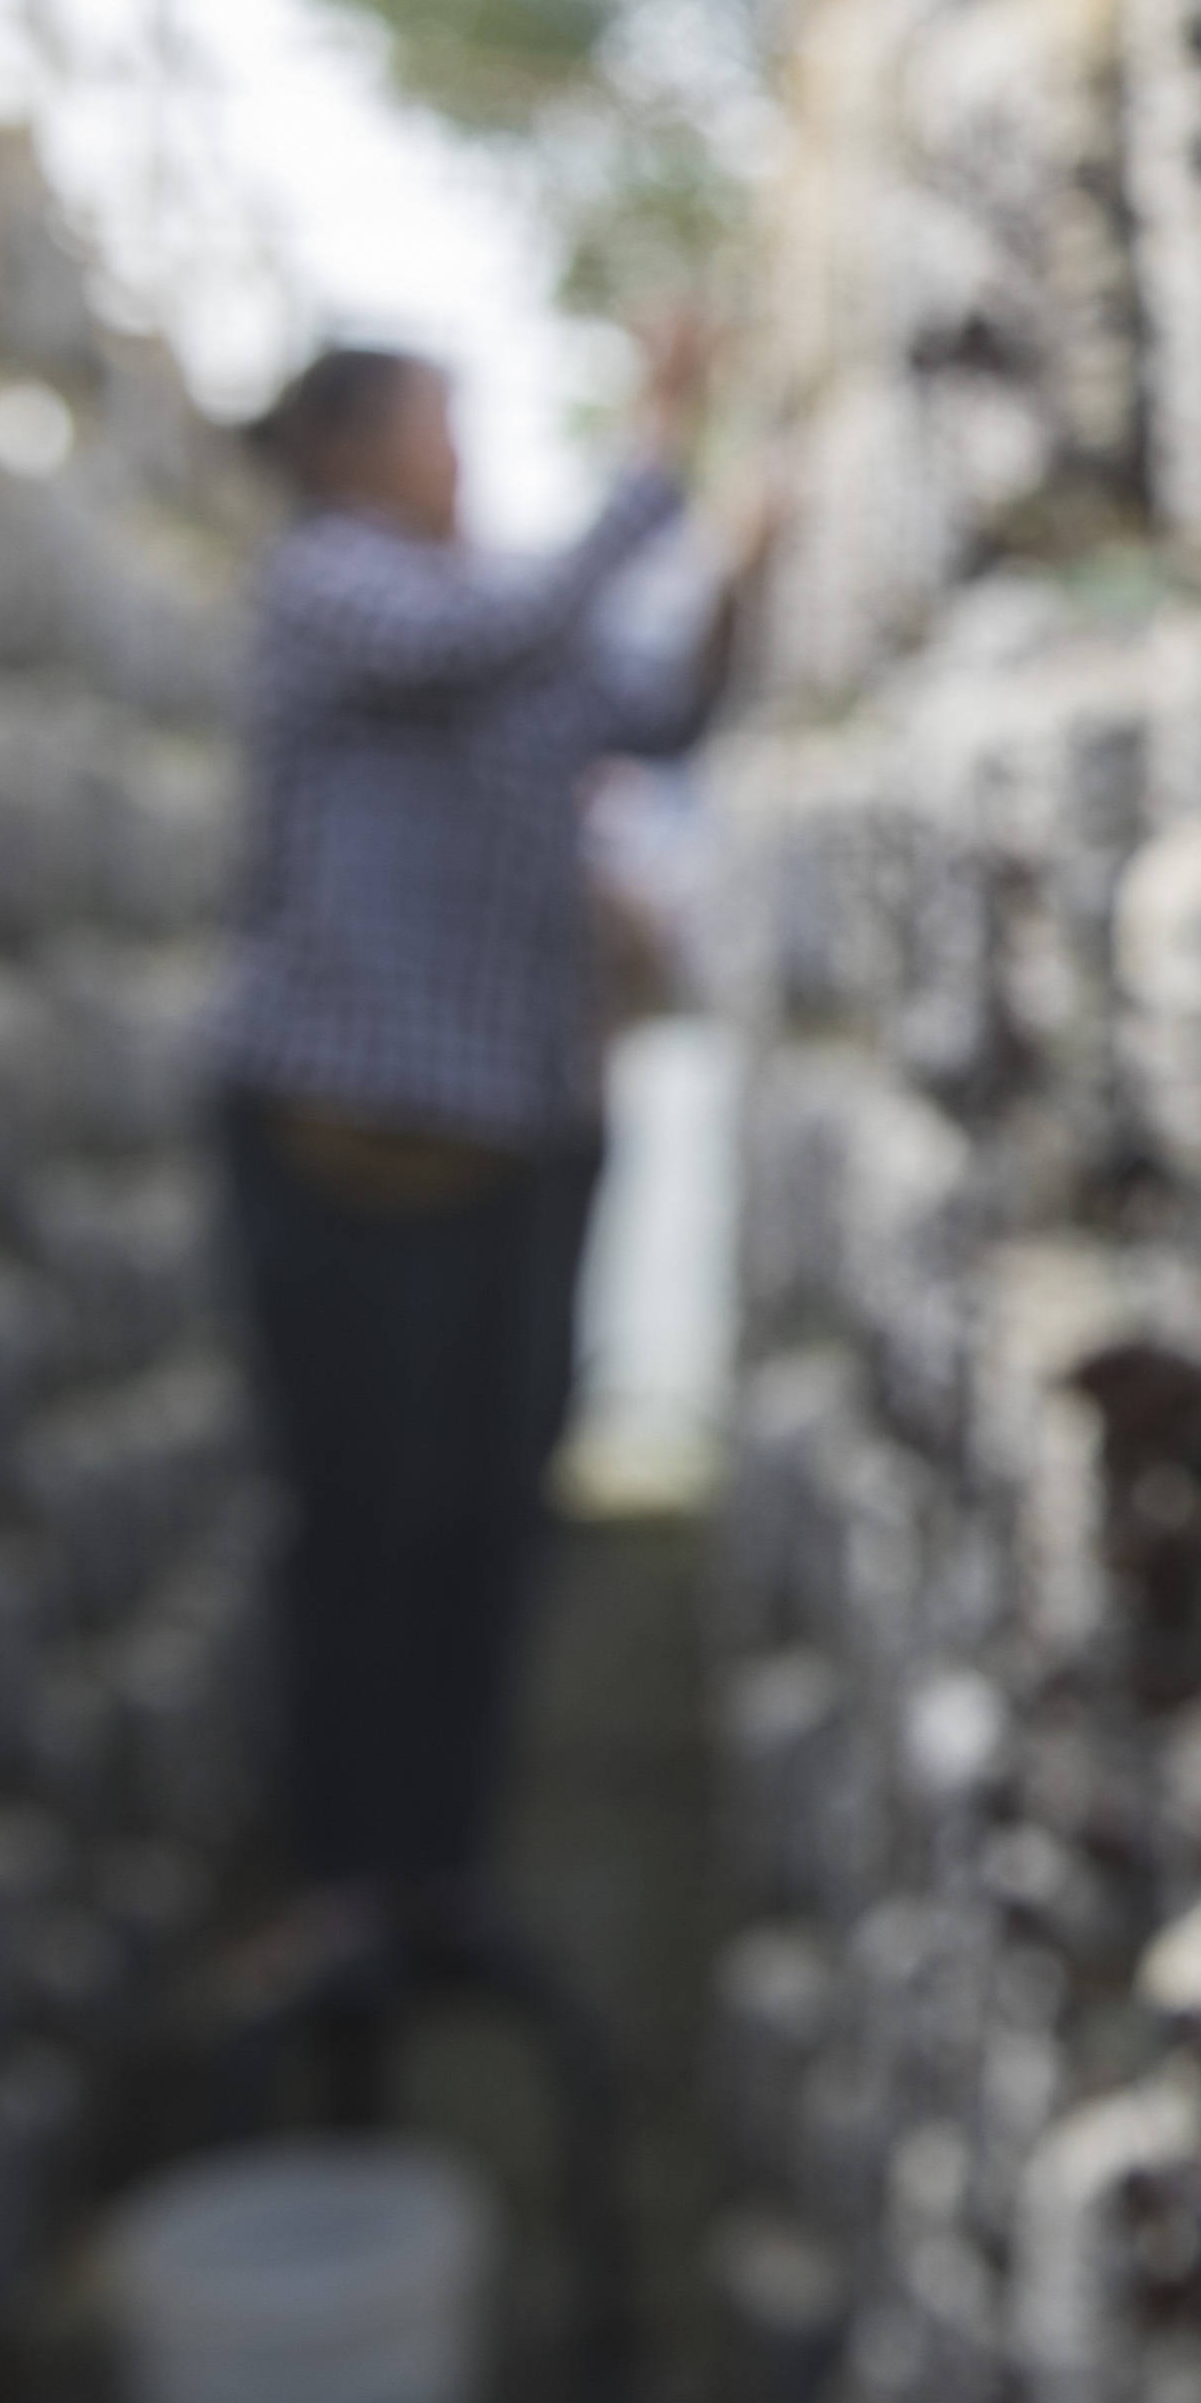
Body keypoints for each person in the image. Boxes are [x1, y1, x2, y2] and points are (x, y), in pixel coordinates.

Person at [210, 326, 775, 2000]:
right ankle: (341, 1876)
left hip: (512, 1151)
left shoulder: (473, 628)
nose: (461, 461)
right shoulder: (334, 587)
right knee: (359, 1525)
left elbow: (647, 711)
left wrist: (740, 572)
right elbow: (509, 634)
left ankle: (439, 1873)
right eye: (440, 427)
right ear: (346, 450)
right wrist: (657, 466)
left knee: (481, 1525)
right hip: (351, 1152)